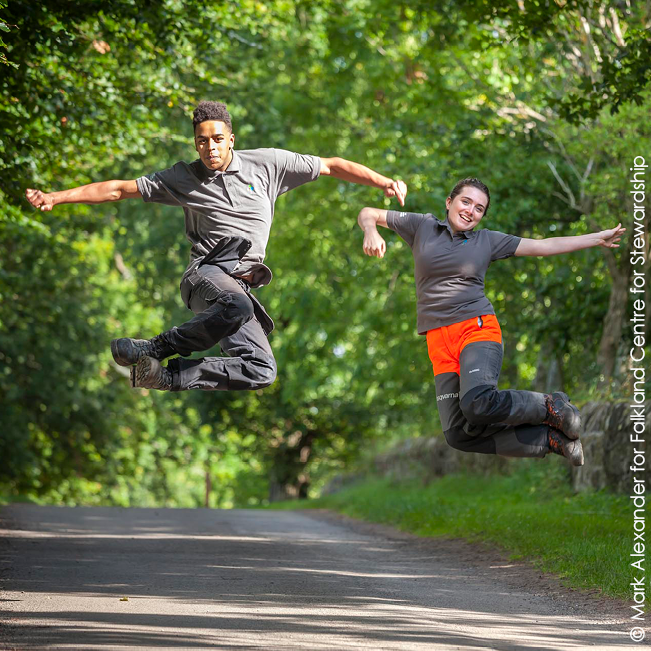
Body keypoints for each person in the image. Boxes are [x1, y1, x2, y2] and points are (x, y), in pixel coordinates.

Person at [26, 101, 408, 393]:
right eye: (201, 141)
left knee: (261, 369)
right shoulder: (183, 177)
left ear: (231, 139)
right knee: (237, 304)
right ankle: (156, 346)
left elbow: (331, 165)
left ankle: (165, 376)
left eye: (217, 140)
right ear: (195, 142)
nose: (209, 148)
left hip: (239, 286)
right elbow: (117, 189)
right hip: (206, 273)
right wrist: (57, 197)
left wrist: (383, 182)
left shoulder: (269, 164)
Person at [357, 177, 625, 466]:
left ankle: (551, 405)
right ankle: (550, 440)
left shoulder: (487, 241)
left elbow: (543, 246)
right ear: (449, 202)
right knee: (458, 434)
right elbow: (367, 213)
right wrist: (371, 231)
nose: (471, 211)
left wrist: (596, 238)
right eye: (466, 202)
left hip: (475, 328)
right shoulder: (422, 226)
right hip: (438, 342)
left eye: (479, 208)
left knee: (477, 402)